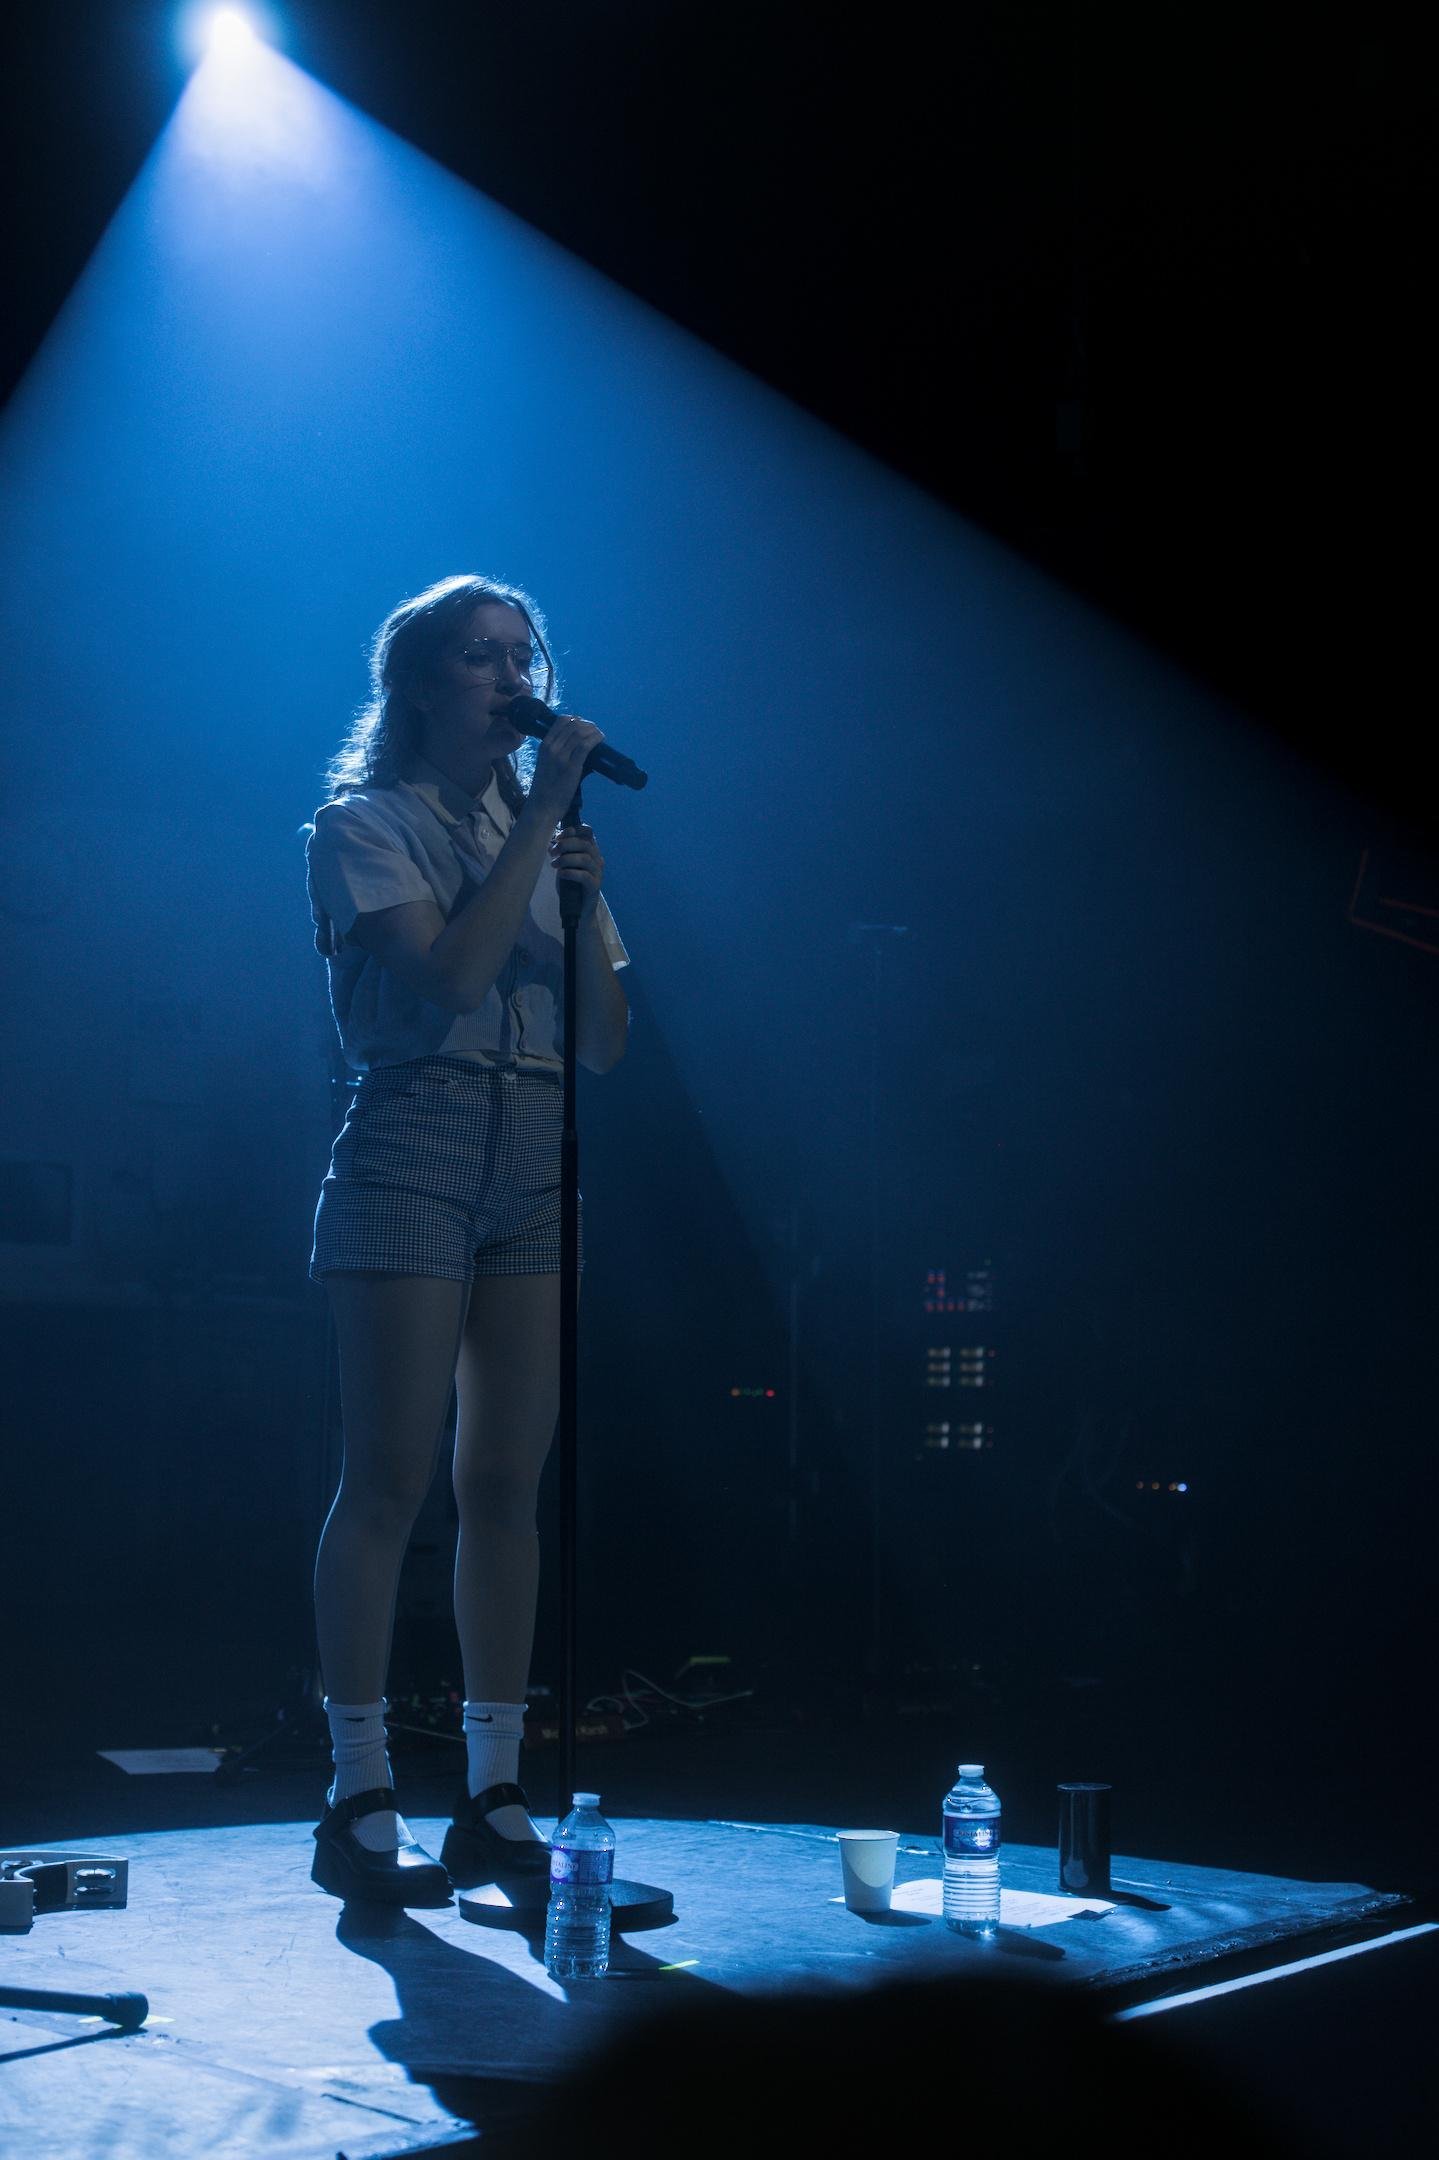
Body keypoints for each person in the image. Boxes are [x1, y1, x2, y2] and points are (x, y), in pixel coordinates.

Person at [303, 572, 630, 1903]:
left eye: (522, 655)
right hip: (416, 1142)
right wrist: (544, 811)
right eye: (484, 658)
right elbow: (443, 976)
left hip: (536, 1150)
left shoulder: (547, 843)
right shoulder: (362, 823)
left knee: (507, 1483)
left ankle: (494, 1794)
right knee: (390, 1478)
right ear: (423, 683)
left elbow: (604, 1048)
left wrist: (587, 898)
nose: (512, 679)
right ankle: (359, 1787)